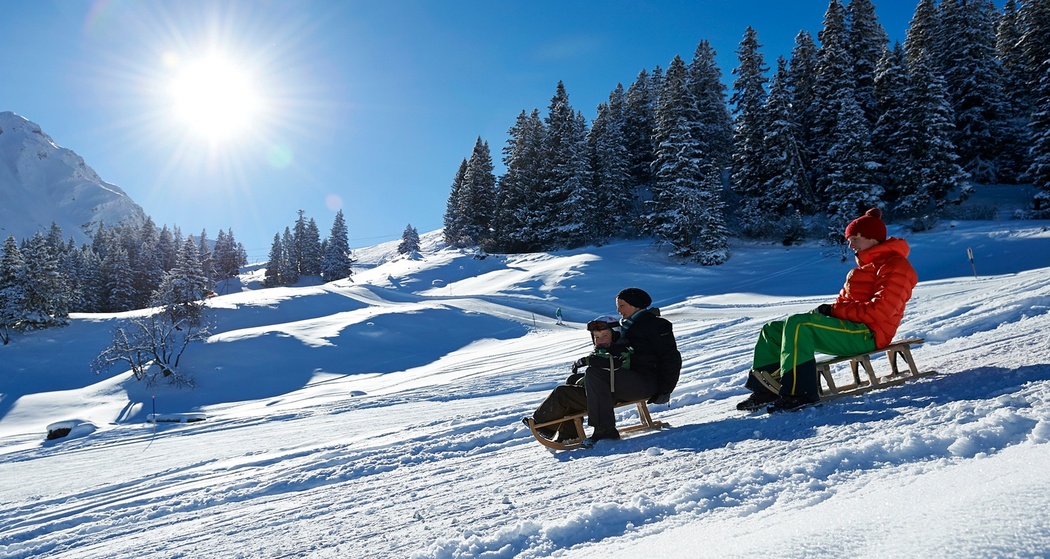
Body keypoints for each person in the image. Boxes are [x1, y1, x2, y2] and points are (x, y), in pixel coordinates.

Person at [736, 208, 919, 413]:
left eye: (854, 239)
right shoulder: (859, 271)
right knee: (772, 329)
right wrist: (824, 312)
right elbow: (840, 305)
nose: (850, 245)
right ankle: (767, 389)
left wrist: (833, 312)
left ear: (872, 238)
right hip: (850, 329)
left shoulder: (896, 266)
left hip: (870, 333)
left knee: (799, 323)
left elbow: (880, 311)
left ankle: (799, 393)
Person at [583, 287, 682, 444]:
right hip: (630, 378)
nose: (618, 310)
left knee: (595, 373)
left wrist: (665, 389)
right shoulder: (626, 326)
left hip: (647, 382)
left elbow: (671, 357)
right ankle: (565, 429)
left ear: (635, 304)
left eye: (622, 305)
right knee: (583, 377)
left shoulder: (655, 325)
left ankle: (605, 430)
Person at [524, 317, 631, 442]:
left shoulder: (619, 351)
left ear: (615, 334)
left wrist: (586, 361)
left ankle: (543, 426)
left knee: (562, 394)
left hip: (608, 396)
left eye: (604, 336)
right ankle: (570, 433)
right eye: (596, 338)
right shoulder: (604, 351)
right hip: (602, 392)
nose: (600, 341)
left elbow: (609, 364)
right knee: (572, 381)